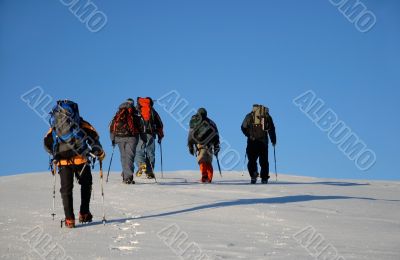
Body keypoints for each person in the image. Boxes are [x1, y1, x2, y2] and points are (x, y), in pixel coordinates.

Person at [44, 100, 105, 228]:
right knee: (86, 184)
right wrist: (98, 152)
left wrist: (55, 153)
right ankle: (84, 213)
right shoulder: (81, 124)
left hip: (63, 161)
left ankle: (69, 219)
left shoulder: (55, 126)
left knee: (66, 189)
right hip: (81, 159)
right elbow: (94, 137)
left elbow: (46, 143)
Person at [109, 98, 143, 184]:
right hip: (132, 137)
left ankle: (125, 176)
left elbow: (112, 126)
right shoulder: (135, 113)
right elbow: (141, 127)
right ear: (132, 103)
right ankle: (128, 177)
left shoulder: (118, 112)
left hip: (119, 138)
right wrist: (144, 138)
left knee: (123, 157)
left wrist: (112, 139)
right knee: (130, 157)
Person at [241, 104, 276, 184]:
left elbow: (243, 127)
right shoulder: (267, 116)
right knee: (264, 161)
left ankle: (253, 175)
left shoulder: (249, 116)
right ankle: (264, 178)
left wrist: (249, 135)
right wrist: (273, 140)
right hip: (263, 142)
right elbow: (272, 129)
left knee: (252, 160)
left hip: (252, 141)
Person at [188, 108, 220, 183]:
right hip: (209, 145)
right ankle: (209, 177)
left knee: (201, 160)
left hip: (200, 145)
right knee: (208, 161)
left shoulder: (195, 122)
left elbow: (190, 135)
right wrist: (216, 147)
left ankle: (204, 177)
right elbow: (216, 136)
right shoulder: (212, 122)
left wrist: (190, 146)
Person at [135, 97, 164, 179]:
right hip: (150, 134)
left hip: (140, 134)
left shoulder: (137, 109)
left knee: (138, 150)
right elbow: (160, 124)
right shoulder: (152, 111)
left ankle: (141, 164)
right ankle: (150, 171)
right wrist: (160, 135)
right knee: (150, 152)